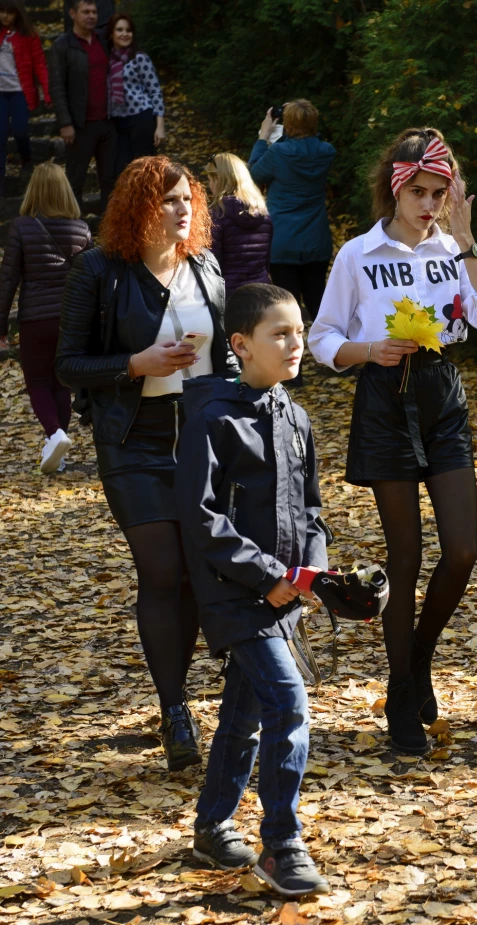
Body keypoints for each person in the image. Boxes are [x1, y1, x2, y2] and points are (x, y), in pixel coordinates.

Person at [308, 128, 477, 755]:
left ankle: (418, 658)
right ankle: (400, 692)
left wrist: (470, 243)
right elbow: (321, 339)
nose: (428, 204)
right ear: (394, 189)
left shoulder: (454, 249)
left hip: (442, 398)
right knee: (405, 557)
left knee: (463, 551)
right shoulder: (358, 254)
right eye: (417, 191)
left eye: (438, 193)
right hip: (384, 401)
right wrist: (369, 350)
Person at [55, 155, 238, 771]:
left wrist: (251, 414)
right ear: (139, 207)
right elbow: (68, 363)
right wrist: (135, 364)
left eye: (188, 199)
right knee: (161, 571)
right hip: (134, 441)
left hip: (203, 438)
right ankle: (174, 709)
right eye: (167, 200)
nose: (183, 209)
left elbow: (229, 355)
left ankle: (181, 693)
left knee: (193, 571)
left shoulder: (207, 267)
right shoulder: (99, 270)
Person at [175, 282, 329, 895]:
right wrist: (268, 578)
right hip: (232, 592)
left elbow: (312, 509)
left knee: (244, 713)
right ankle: (281, 843)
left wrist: (312, 573)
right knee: (287, 702)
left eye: (299, 331)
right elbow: (203, 519)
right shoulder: (212, 418)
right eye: (280, 334)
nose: (296, 344)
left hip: (284, 596)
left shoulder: (295, 416)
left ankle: (212, 828)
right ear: (240, 344)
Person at [0, 162, 91, 471]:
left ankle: (55, 435)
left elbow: (8, 278)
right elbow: (89, 281)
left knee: (37, 383)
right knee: (60, 384)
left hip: (35, 320)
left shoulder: (21, 227)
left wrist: (1, 323)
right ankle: (59, 453)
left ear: (34, 191)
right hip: (70, 320)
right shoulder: (81, 229)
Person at [249, 100, 334, 384]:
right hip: (316, 237)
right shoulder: (326, 152)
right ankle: (337, 358)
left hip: (283, 238)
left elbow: (251, 176)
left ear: (289, 124)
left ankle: (292, 373)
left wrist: (264, 137)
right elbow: (312, 149)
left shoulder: (279, 153)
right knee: (318, 299)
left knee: (286, 305)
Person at [48, 0, 116, 212]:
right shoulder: (62, 45)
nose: (91, 16)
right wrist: (65, 123)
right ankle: (74, 232)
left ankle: (110, 231)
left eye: (94, 12)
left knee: (110, 180)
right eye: (85, 12)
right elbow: (56, 87)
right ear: (72, 14)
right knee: (75, 181)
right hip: (80, 124)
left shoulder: (104, 40)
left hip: (108, 122)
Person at [0, 1, 50, 196]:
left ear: (17, 14)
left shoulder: (28, 36)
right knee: (1, 137)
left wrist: (47, 91)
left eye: (9, 13)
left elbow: (39, 64)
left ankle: (27, 159)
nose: (4, 16)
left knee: (21, 130)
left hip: (20, 91)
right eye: (1, 11)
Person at [106, 13, 165, 177]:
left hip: (141, 118)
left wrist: (160, 126)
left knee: (146, 170)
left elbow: (155, 91)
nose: (125, 34)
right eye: (119, 30)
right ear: (111, 34)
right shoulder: (105, 60)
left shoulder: (140, 58)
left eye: (129, 30)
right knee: (121, 172)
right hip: (117, 122)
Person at [206, 153, 272, 296]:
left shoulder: (217, 214)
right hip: (261, 291)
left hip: (229, 294)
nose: (209, 185)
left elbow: (213, 263)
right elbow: (266, 260)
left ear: (218, 180)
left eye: (210, 179)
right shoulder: (263, 213)